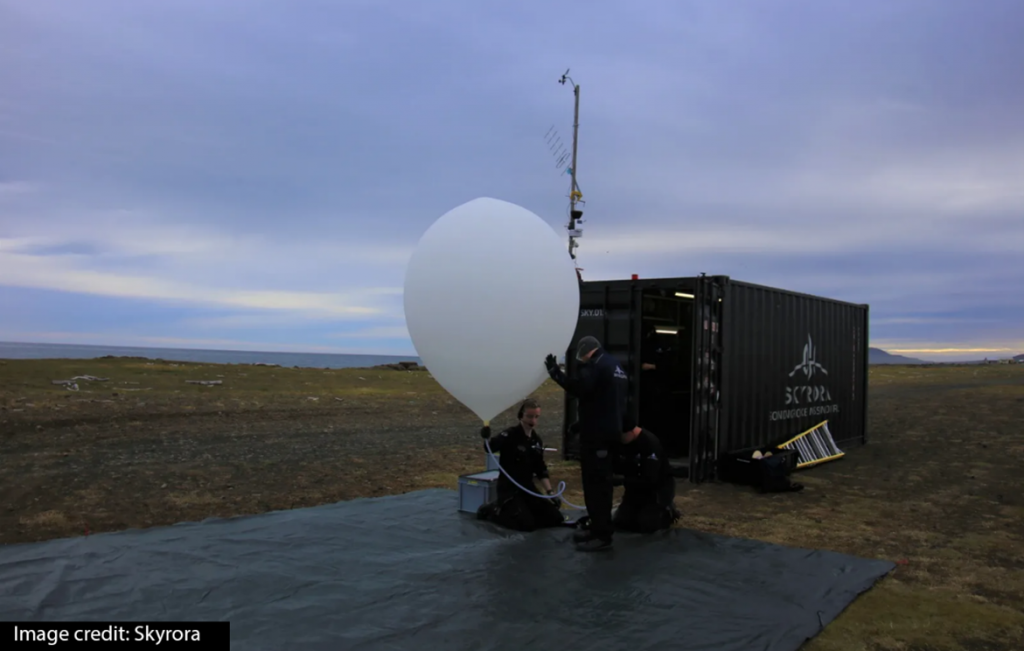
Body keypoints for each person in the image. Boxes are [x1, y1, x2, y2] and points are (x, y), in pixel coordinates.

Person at [544, 336, 635, 552]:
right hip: (608, 432)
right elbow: (603, 400)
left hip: (597, 437)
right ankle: (597, 528)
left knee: (596, 486)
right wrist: (579, 424)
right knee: (600, 483)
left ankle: (602, 535)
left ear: (586, 351)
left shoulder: (596, 365)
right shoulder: (615, 365)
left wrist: (555, 372)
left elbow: (579, 389)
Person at [476, 398, 565, 532]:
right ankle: (493, 510)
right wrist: (486, 437)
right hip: (509, 488)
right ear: (520, 416)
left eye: (536, 417)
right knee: (525, 524)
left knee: (555, 518)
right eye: (529, 416)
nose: (533, 421)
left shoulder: (536, 440)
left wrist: (550, 492)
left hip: (527, 487)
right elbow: (490, 447)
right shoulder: (510, 435)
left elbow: (540, 468)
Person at [611, 426, 681, 533]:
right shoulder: (626, 443)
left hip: (656, 490)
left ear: (630, 432)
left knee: (647, 526)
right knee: (621, 523)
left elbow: (650, 478)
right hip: (635, 489)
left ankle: (666, 511)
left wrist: (622, 480)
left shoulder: (650, 444)